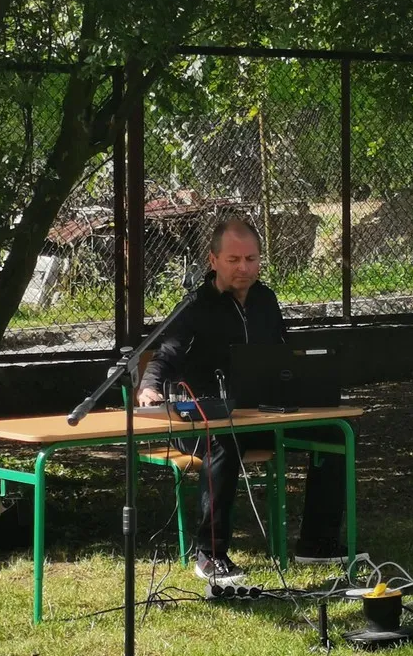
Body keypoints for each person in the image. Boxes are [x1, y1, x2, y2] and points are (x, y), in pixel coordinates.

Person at [138, 217, 349, 583]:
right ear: (213, 260)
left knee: (336, 434)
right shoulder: (195, 307)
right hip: (203, 422)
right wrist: (148, 386)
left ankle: (317, 543)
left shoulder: (266, 300)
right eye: (234, 260)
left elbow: (283, 356)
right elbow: (165, 356)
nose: (244, 268)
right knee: (224, 442)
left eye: (251, 259)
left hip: (260, 415)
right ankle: (210, 554)